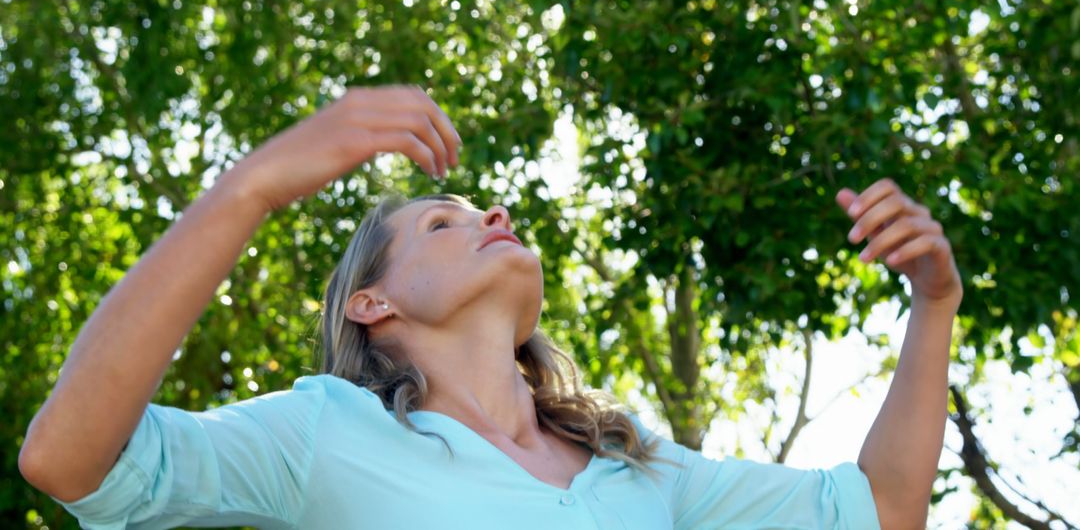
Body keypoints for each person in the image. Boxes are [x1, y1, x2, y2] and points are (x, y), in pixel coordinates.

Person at [19, 85, 963, 529]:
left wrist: (935, 302)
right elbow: (67, 461)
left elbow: (881, 508)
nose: (493, 214)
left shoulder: (636, 466)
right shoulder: (322, 432)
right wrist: (249, 191)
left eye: (482, 209)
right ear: (371, 303)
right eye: (443, 220)